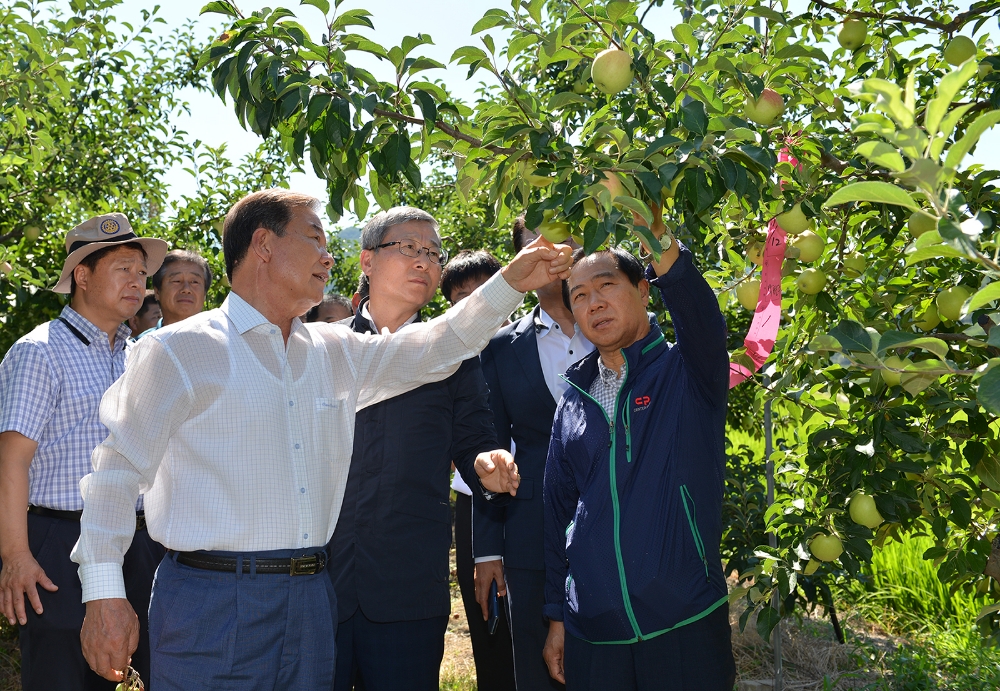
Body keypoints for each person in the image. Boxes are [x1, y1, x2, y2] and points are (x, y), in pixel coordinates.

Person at [70, 189, 573, 691]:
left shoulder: (333, 352)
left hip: (312, 597)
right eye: (314, 238)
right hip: (212, 598)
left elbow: (438, 347)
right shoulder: (179, 350)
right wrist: (104, 595)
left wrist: (509, 283)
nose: (328, 255)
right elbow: (115, 474)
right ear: (263, 245)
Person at [541, 232, 736, 691]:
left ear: (644, 290)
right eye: (581, 296)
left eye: (607, 286)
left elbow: (700, 314)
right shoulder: (573, 402)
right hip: (593, 629)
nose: (594, 304)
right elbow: (557, 515)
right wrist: (556, 616)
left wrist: (656, 233)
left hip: (684, 617)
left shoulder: (688, 370)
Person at [329, 213, 515, 691]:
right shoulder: (322, 344)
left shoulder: (454, 354)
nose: (424, 262)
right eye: (408, 248)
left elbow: (475, 436)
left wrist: (485, 463)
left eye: (433, 253)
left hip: (407, 581)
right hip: (322, 579)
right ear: (367, 260)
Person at [0, 213, 168, 691]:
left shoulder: (140, 354)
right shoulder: (40, 351)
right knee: (63, 673)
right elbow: (10, 462)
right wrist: (15, 555)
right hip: (58, 543)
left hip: (140, 542)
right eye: (123, 268)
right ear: (82, 274)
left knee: (141, 673)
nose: (137, 281)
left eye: (141, 272)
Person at [475, 218, 593, 691]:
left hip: (614, 519)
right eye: (538, 246)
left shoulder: (614, 327)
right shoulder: (503, 348)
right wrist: (487, 548)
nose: (555, 255)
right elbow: (488, 446)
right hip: (530, 528)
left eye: (567, 243)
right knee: (534, 653)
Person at [136, 249, 212, 338]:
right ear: (157, 292)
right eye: (177, 281)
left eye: (194, 282)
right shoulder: (139, 346)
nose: (186, 289)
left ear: (204, 294)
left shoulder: (223, 343)